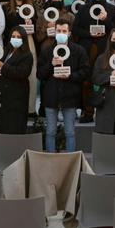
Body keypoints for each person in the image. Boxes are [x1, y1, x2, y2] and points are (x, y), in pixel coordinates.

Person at [37, 19, 89, 152]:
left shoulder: (78, 50)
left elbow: (85, 71)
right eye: (58, 31)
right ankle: (50, 160)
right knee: (50, 132)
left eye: (64, 31)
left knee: (70, 132)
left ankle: (71, 161)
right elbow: (40, 74)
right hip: (51, 97)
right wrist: (51, 65)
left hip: (70, 96)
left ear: (69, 33)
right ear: (54, 32)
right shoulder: (46, 51)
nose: (61, 33)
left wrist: (70, 75)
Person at [74, 0, 115, 123]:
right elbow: (75, 29)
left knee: (104, 80)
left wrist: (106, 20)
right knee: (86, 81)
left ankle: (105, 111)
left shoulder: (112, 9)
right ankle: (87, 111)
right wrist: (89, 34)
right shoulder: (83, 8)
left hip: (105, 49)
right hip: (87, 50)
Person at [3, 0, 39, 115]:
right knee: (11, 71)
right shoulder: (6, 7)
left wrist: (30, 24)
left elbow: (35, 27)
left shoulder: (31, 7)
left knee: (31, 74)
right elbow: (5, 28)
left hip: (28, 42)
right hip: (12, 42)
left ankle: (30, 109)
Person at [0, 26, 34, 134]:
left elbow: (21, 73)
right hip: (3, 96)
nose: (15, 39)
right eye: (13, 36)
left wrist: (2, 67)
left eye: (18, 37)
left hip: (17, 98)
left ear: (23, 39)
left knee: (15, 126)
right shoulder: (6, 51)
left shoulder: (27, 55)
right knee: (3, 126)